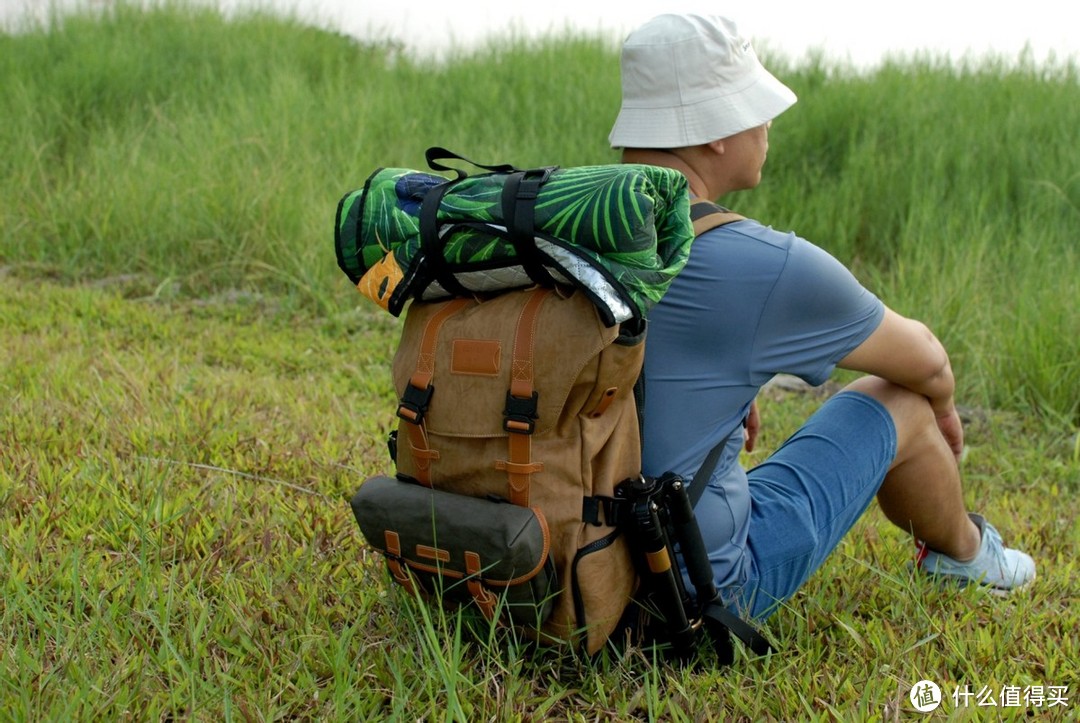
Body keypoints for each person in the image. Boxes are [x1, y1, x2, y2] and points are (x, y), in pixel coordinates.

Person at [608, 13, 1035, 620]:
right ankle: (968, 557)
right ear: (716, 131)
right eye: (757, 107)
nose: (769, 124)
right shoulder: (762, 264)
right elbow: (928, 361)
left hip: (557, 562)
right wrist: (940, 409)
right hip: (696, 593)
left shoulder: (568, 227)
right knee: (901, 399)